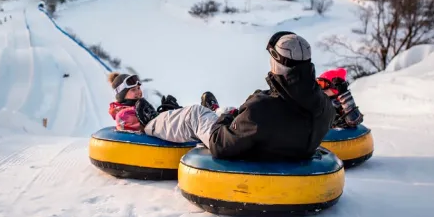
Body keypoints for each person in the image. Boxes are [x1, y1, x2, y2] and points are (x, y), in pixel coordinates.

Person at [133, 31, 340, 161]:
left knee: (194, 114)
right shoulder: (324, 105)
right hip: (281, 146)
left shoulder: (262, 108)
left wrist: (225, 120)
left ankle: (152, 123)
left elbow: (220, 145)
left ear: (276, 63)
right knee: (228, 112)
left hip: (249, 153)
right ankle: (216, 112)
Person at [107, 72, 230, 132]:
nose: (138, 92)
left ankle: (211, 115)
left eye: (139, 88)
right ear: (122, 95)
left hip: (162, 129)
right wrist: (156, 117)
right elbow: (148, 128)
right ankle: (213, 118)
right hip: (158, 135)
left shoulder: (138, 107)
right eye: (133, 90)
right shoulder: (123, 114)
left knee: (186, 113)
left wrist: (165, 112)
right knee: (190, 116)